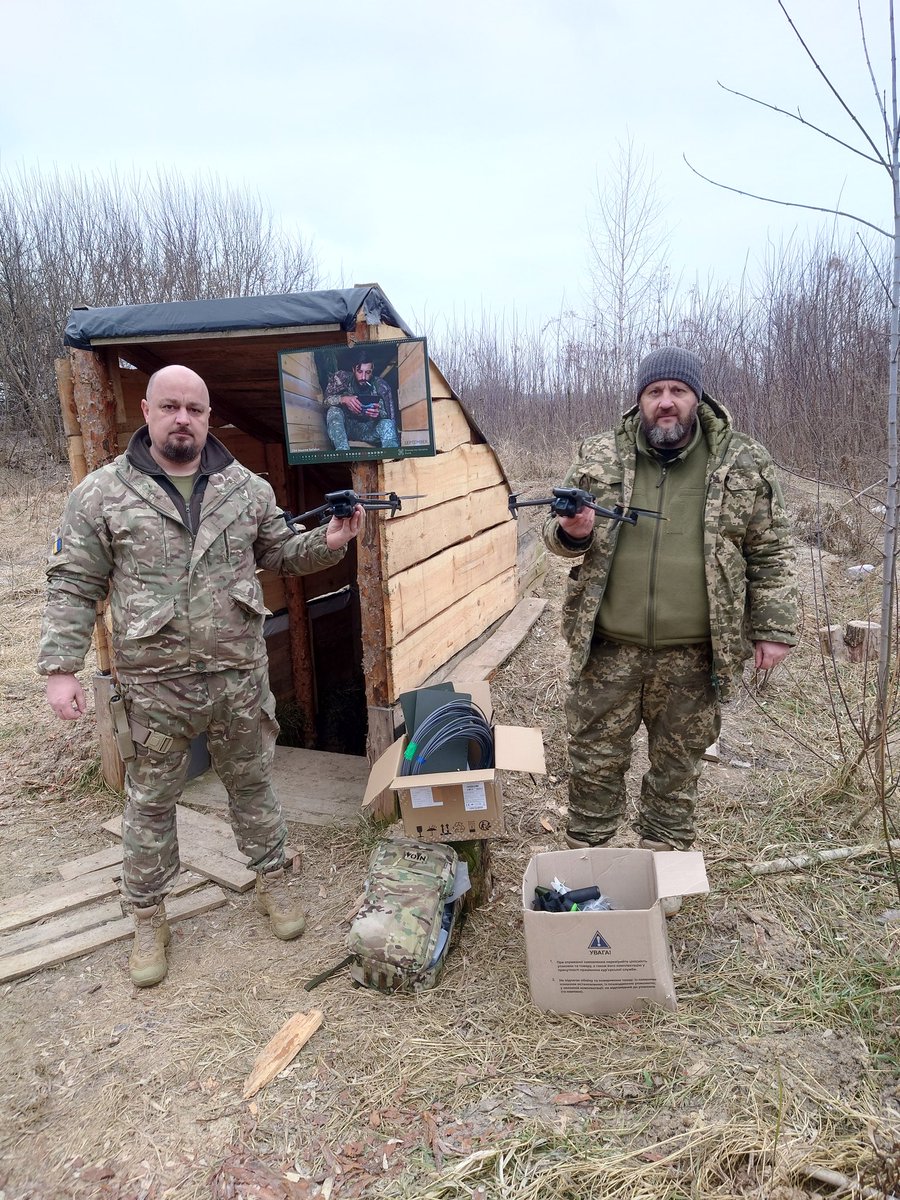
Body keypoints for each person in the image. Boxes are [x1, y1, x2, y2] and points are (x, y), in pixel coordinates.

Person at [38, 364, 364, 988]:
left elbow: (279, 553)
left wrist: (331, 540)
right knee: (150, 801)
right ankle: (147, 915)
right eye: (170, 406)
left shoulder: (246, 488)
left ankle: (272, 883)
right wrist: (60, 669)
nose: (182, 417)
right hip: (153, 687)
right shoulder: (104, 493)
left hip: (238, 676)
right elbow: (74, 582)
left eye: (194, 407)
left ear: (208, 416)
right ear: (147, 411)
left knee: (253, 785)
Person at [543, 346, 798, 885]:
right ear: (639, 400)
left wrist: (772, 628)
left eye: (677, 392)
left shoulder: (744, 462)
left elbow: (770, 550)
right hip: (608, 649)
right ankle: (590, 874)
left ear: (696, 397)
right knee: (593, 762)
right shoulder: (598, 455)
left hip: (694, 654)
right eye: (654, 392)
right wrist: (573, 532)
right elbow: (557, 535)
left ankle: (663, 877)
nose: (666, 403)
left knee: (677, 769)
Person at [324, 351, 398, 452]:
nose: (363, 377)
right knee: (333, 411)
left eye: (368, 372)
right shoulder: (342, 379)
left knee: (387, 424)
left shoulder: (380, 386)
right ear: (353, 369)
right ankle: (343, 452)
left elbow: (390, 417)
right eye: (359, 372)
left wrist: (378, 415)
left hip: (368, 429)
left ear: (372, 371)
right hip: (346, 428)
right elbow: (325, 402)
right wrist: (343, 399)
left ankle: (391, 457)